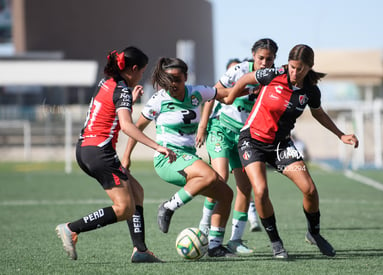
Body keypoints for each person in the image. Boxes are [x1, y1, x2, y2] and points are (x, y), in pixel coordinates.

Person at [221, 44, 359, 259]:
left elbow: (319, 114)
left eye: (300, 69)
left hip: (281, 146)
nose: (295, 72)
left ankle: (314, 233)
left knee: (310, 190)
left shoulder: (311, 90)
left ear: (309, 67)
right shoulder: (274, 74)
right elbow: (248, 78)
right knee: (260, 191)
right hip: (252, 141)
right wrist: (230, 97)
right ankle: (276, 243)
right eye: (293, 67)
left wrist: (340, 134)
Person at [55, 46, 176, 263]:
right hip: (99, 152)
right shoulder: (121, 90)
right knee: (124, 208)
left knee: (137, 191)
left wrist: (130, 97)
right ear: (133, 69)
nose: (141, 77)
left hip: (86, 148)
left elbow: (112, 108)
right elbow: (127, 126)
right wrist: (157, 146)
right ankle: (71, 228)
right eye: (141, 72)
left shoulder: (109, 82)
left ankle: (140, 250)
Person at [122, 57, 238, 258]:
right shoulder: (159, 99)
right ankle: (168, 207)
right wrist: (126, 158)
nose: (173, 84)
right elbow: (135, 128)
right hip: (168, 159)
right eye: (168, 80)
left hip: (188, 158)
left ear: (185, 77)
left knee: (226, 195)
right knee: (210, 176)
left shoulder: (196, 92)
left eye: (177, 79)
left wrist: (253, 87)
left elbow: (226, 94)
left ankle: (215, 247)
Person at [196, 38, 278, 254]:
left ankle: (235, 240)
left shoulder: (275, 78)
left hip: (245, 139)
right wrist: (202, 125)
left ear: (274, 59)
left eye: (269, 59)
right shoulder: (239, 71)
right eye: (261, 58)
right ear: (253, 56)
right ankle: (204, 228)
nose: (264, 62)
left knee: (246, 187)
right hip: (221, 130)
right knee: (219, 180)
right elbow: (212, 95)